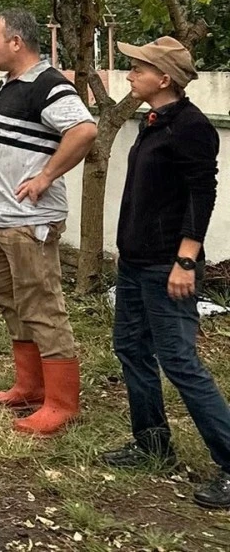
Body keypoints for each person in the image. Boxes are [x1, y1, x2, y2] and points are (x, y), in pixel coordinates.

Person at [101, 36, 230, 509]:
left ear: (164, 79)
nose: (131, 74)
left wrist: (186, 259)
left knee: (179, 361)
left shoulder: (191, 127)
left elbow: (203, 195)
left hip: (166, 266)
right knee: (131, 347)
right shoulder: (153, 122)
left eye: (138, 68)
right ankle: (152, 443)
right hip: (136, 262)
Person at [0, 9, 97, 436]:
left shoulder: (48, 84)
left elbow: (83, 131)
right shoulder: (4, 87)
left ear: (16, 42)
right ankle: (29, 386)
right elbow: (2, 143)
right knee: (12, 301)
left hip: (29, 221)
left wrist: (46, 176)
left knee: (42, 306)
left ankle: (61, 402)